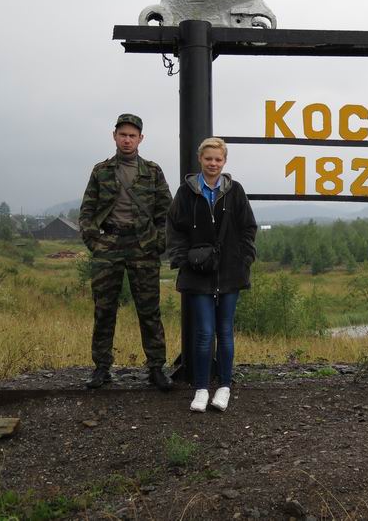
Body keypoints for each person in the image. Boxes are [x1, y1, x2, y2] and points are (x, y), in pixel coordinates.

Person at [79, 114, 174, 391]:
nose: (127, 140)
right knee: (104, 309)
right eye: (123, 135)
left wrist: (158, 243)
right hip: (109, 245)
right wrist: (95, 243)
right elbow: (87, 212)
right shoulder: (101, 171)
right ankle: (101, 368)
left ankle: (156, 368)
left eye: (133, 135)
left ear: (141, 139)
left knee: (149, 310)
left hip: (143, 247)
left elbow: (165, 212)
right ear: (114, 136)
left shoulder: (152, 171)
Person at [166, 137, 257, 413]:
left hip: (230, 273)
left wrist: (244, 259)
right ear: (200, 160)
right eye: (209, 159)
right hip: (197, 274)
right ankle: (201, 388)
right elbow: (174, 229)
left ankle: (225, 387)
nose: (213, 164)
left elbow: (247, 228)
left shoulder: (236, 191)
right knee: (204, 333)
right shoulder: (186, 192)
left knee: (225, 332)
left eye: (218, 159)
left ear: (224, 161)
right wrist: (183, 260)